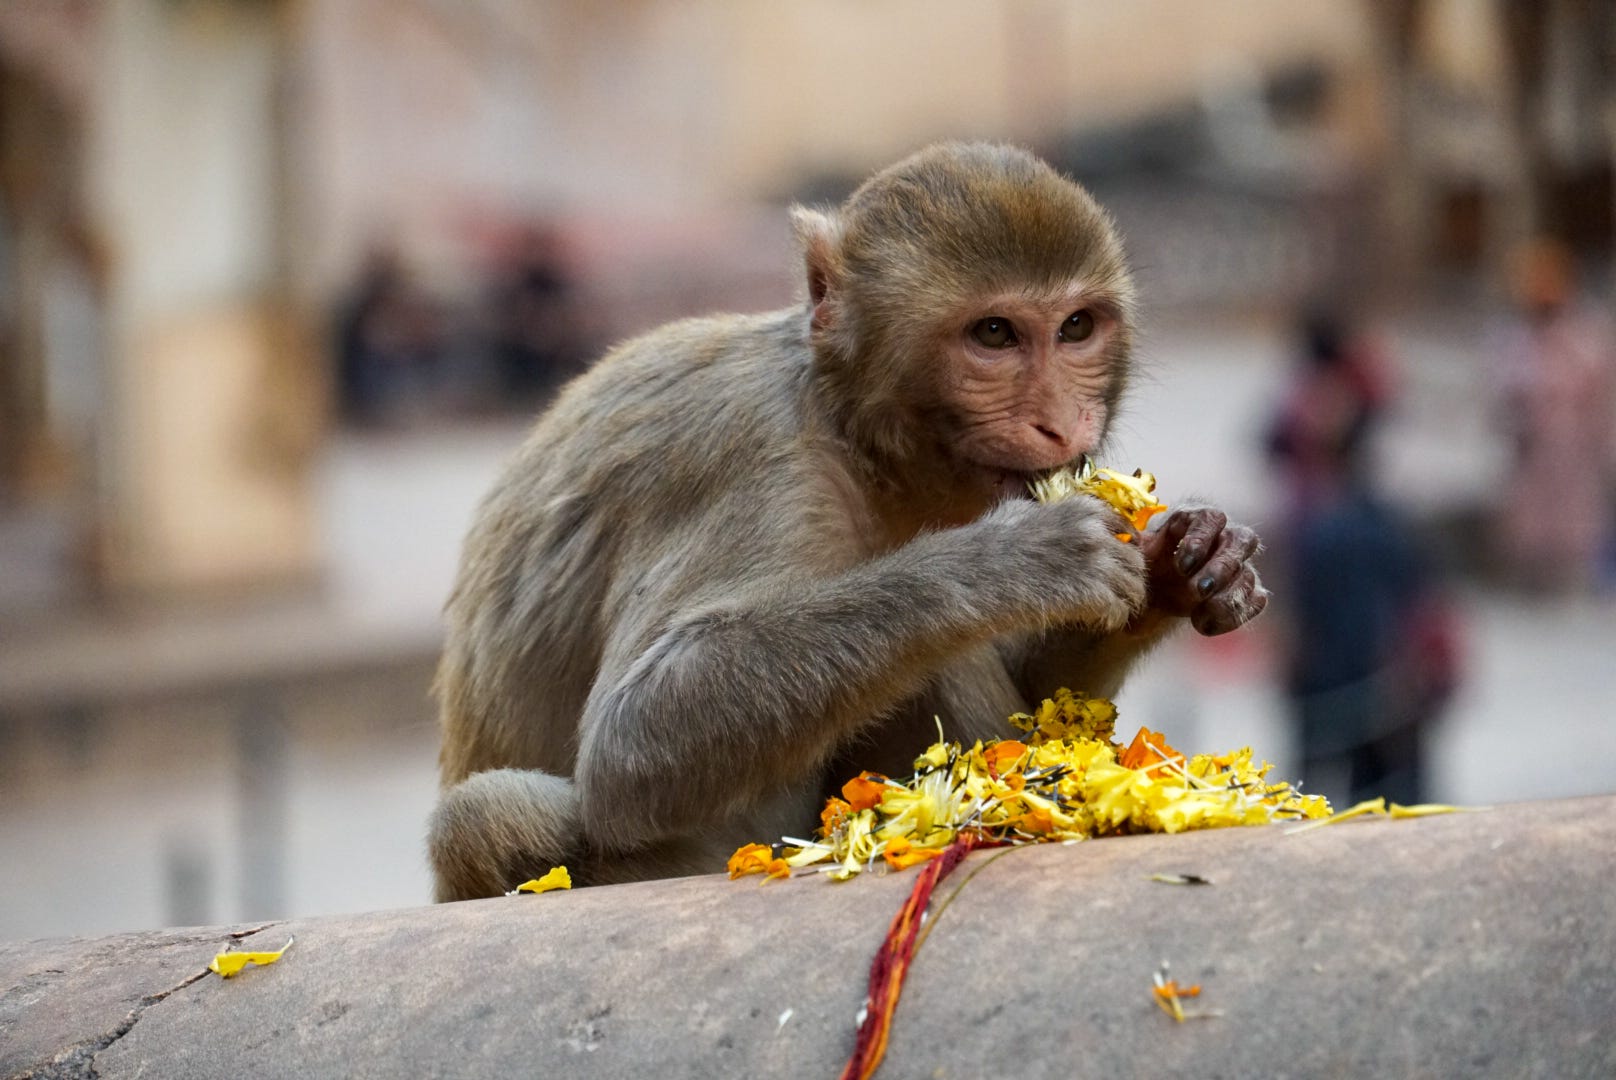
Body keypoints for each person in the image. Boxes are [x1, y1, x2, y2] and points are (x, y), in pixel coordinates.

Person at [1266, 310, 1459, 805]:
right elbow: (1423, 601)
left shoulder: (1319, 530)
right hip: (1385, 683)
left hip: (1336, 681)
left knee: (1316, 776)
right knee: (1387, 786)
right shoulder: (1391, 523)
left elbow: (1301, 617)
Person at [1490, 239, 1616, 592]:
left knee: (1576, 516)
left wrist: (1599, 438)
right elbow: (1505, 388)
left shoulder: (1583, 333)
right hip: (1532, 443)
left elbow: (1598, 387)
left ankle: (1573, 579)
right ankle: (1534, 579)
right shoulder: (1515, 337)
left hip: (1575, 444)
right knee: (1530, 518)